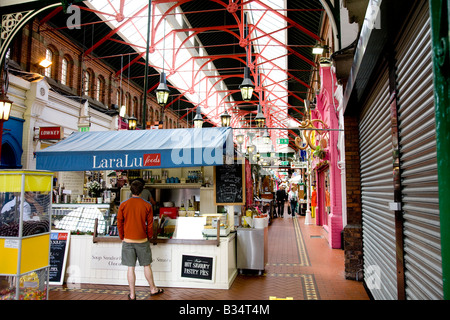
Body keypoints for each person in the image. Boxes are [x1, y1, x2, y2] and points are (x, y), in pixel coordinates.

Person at [117, 180, 164, 300]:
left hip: (127, 240)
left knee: (130, 268)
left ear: (131, 190)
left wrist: (122, 236)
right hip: (142, 240)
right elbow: (149, 224)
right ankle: (153, 289)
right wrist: (148, 236)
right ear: (142, 191)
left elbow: (119, 223)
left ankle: (132, 294)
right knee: (146, 265)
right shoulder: (147, 205)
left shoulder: (123, 204)